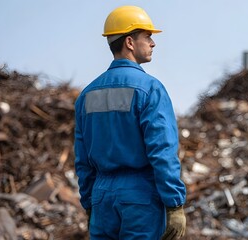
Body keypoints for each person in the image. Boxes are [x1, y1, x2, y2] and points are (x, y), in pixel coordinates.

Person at [74, 5, 187, 239]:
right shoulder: (150, 89)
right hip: (139, 198)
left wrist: (89, 203)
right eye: (147, 36)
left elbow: (82, 159)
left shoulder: (87, 95)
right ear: (129, 42)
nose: (153, 43)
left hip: (101, 197)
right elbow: (162, 152)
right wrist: (175, 205)